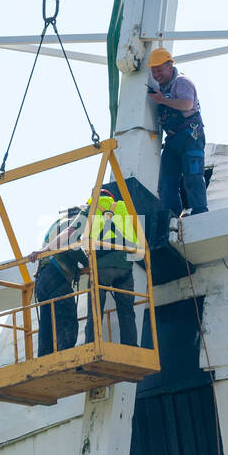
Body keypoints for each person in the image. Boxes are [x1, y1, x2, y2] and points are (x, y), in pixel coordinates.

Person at [147, 48, 208, 220]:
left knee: (192, 177)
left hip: (190, 136)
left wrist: (162, 100)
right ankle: (172, 218)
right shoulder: (161, 87)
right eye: (153, 71)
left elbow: (187, 104)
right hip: (173, 139)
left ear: (169, 65)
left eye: (159, 70)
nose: (156, 74)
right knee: (166, 184)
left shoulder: (181, 82)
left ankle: (200, 213)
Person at [84, 185, 140, 348]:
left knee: (95, 309)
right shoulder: (121, 206)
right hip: (124, 267)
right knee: (127, 310)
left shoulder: (90, 208)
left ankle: (92, 344)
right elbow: (134, 239)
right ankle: (131, 346)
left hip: (102, 267)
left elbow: (84, 241)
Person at [29, 205, 89, 357]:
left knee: (47, 321)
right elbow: (72, 246)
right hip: (56, 275)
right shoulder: (70, 224)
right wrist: (88, 263)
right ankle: (66, 355)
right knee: (66, 316)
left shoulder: (56, 225)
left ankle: (45, 356)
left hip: (43, 278)